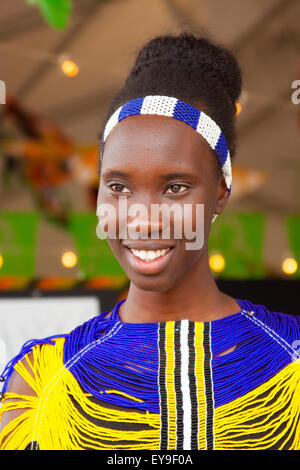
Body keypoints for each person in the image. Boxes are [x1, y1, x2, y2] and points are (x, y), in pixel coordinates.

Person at [1, 32, 300, 451]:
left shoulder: (290, 366)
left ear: (221, 191)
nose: (141, 219)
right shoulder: (42, 383)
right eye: (119, 186)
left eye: (175, 187)